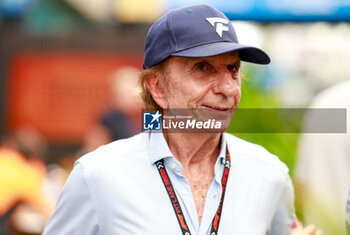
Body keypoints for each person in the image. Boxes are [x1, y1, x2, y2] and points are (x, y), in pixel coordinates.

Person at [43, 4, 321, 235]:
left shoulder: (269, 175)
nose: (227, 89)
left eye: (233, 69)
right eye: (203, 68)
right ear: (158, 87)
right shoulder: (97, 177)